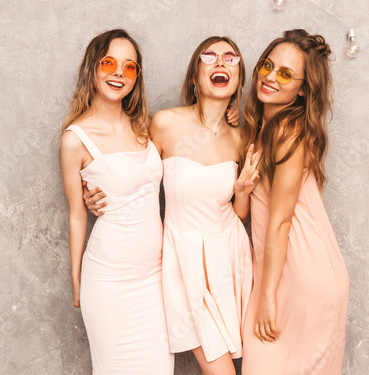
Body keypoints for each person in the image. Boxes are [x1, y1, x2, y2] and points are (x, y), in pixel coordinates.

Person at [84, 36, 258, 375]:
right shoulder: (164, 123)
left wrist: (242, 191)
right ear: (194, 77)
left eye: (231, 59)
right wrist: (94, 191)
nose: (221, 62)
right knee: (221, 370)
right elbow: (129, 167)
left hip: (229, 258)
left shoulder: (242, 137)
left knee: (238, 364)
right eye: (210, 56)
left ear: (238, 81)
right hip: (182, 259)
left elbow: (240, 212)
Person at [59, 29, 174, 375]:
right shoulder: (74, 140)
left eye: (129, 67)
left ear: (137, 77)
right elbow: (77, 216)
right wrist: (77, 282)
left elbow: (194, 135)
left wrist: (229, 114)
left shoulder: (146, 128)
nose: (118, 74)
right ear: (93, 68)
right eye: (109, 62)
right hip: (107, 281)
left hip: (155, 278)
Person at [237, 29, 350, 374]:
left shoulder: (290, 131)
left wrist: (268, 296)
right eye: (267, 66)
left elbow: (282, 220)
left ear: (302, 88)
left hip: (302, 274)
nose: (271, 77)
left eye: (285, 73)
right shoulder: (259, 128)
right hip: (274, 269)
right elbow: (247, 210)